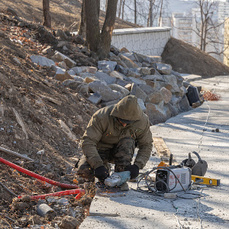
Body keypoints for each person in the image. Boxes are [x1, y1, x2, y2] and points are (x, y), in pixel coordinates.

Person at [76, 95, 153, 185]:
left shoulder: (142, 121)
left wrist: (137, 165)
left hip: (123, 152)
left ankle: (120, 177)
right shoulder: (101, 117)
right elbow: (88, 142)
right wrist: (97, 165)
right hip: (100, 150)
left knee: (127, 142)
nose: (124, 125)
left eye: (127, 123)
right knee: (84, 170)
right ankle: (101, 173)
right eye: (121, 121)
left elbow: (146, 145)